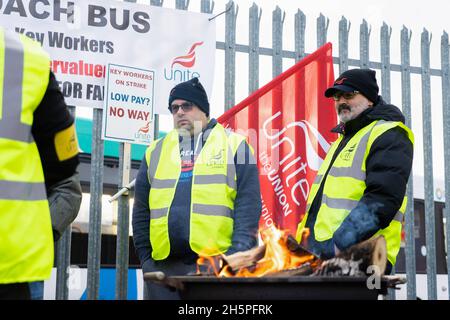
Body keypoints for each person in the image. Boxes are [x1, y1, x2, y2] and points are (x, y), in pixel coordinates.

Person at [132, 77, 262, 299]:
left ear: (203, 110)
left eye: (187, 106)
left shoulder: (236, 145)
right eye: (174, 108)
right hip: (163, 269)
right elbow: (141, 211)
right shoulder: (155, 151)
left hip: (216, 267)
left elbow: (248, 207)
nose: (180, 112)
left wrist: (235, 257)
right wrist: (146, 261)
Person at [295, 68, 414, 275]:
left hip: (360, 258)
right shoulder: (344, 139)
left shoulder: (388, 132)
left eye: (349, 95)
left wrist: (339, 245)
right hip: (323, 255)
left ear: (369, 99)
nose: (341, 101)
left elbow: (383, 198)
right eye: (336, 96)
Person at [0, 27, 81, 299]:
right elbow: (65, 161)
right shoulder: (23, 56)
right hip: (11, 257)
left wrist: (45, 229)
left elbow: (68, 187)